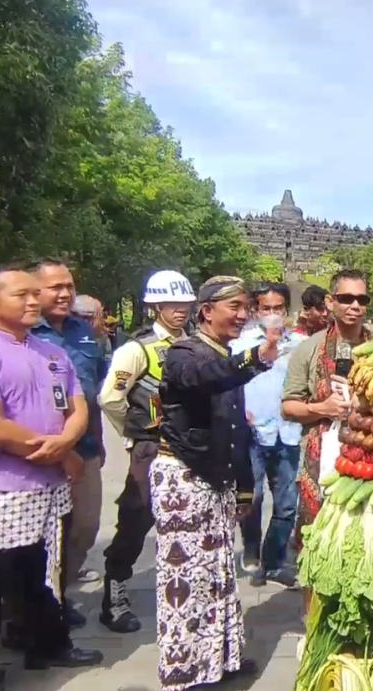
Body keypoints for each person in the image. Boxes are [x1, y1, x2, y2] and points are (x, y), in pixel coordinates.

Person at [0, 266, 102, 670]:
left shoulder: (53, 353)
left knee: (44, 574)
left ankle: (48, 644)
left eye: (32, 293)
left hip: (49, 489)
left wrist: (68, 440)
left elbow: (78, 407)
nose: (31, 300)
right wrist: (60, 451)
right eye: (20, 295)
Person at [153, 276, 279, 690]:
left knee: (218, 575)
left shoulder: (224, 355)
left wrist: (244, 488)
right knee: (185, 580)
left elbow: (235, 430)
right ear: (206, 311)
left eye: (247, 308)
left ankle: (219, 659)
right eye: (235, 308)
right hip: (184, 479)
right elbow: (203, 378)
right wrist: (253, 360)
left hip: (216, 481)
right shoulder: (184, 353)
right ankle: (185, 672)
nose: (243, 316)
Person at [98, 269, 196, 633]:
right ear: (155, 306)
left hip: (189, 449)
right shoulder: (137, 349)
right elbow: (110, 398)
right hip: (152, 449)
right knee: (136, 518)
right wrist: (134, 433)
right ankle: (115, 595)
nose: (179, 310)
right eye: (170, 304)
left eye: (184, 303)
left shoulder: (194, 343)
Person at [282, 270, 369, 600]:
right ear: (331, 302)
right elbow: (289, 406)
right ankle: (315, 617)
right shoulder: (309, 350)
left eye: (362, 299)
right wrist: (323, 408)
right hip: (320, 459)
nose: (354, 306)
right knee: (316, 539)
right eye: (346, 298)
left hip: (369, 458)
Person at [30, 260, 108, 626]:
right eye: (55, 287)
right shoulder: (24, 333)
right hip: (39, 452)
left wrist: (98, 440)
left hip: (86, 448)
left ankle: (60, 592)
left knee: (85, 527)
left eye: (69, 286)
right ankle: (37, 609)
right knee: (41, 536)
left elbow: (94, 391)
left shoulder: (84, 331)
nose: (64, 293)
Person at [231, 282, 306, 587]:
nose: (273, 314)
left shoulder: (300, 345)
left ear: (287, 311)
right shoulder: (241, 343)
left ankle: (273, 560)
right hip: (252, 433)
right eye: (266, 308)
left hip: (287, 432)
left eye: (278, 308)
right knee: (253, 496)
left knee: (287, 502)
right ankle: (250, 550)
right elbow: (229, 380)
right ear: (256, 311)